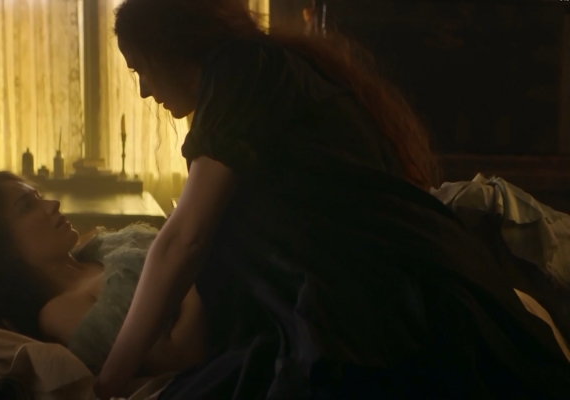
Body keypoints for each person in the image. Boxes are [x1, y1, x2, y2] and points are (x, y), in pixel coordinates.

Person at [95, 0, 570, 398]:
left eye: (140, 69)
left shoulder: (241, 68)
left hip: (396, 317)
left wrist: (108, 381)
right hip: (378, 308)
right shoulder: (262, 83)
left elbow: (184, 240)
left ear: (170, 46)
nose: (143, 91)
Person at [0, 171, 209, 379]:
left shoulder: (98, 246)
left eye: (39, 197)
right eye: (27, 207)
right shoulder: (59, 312)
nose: (53, 204)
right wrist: (191, 261)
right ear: (0, 247)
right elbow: (180, 355)